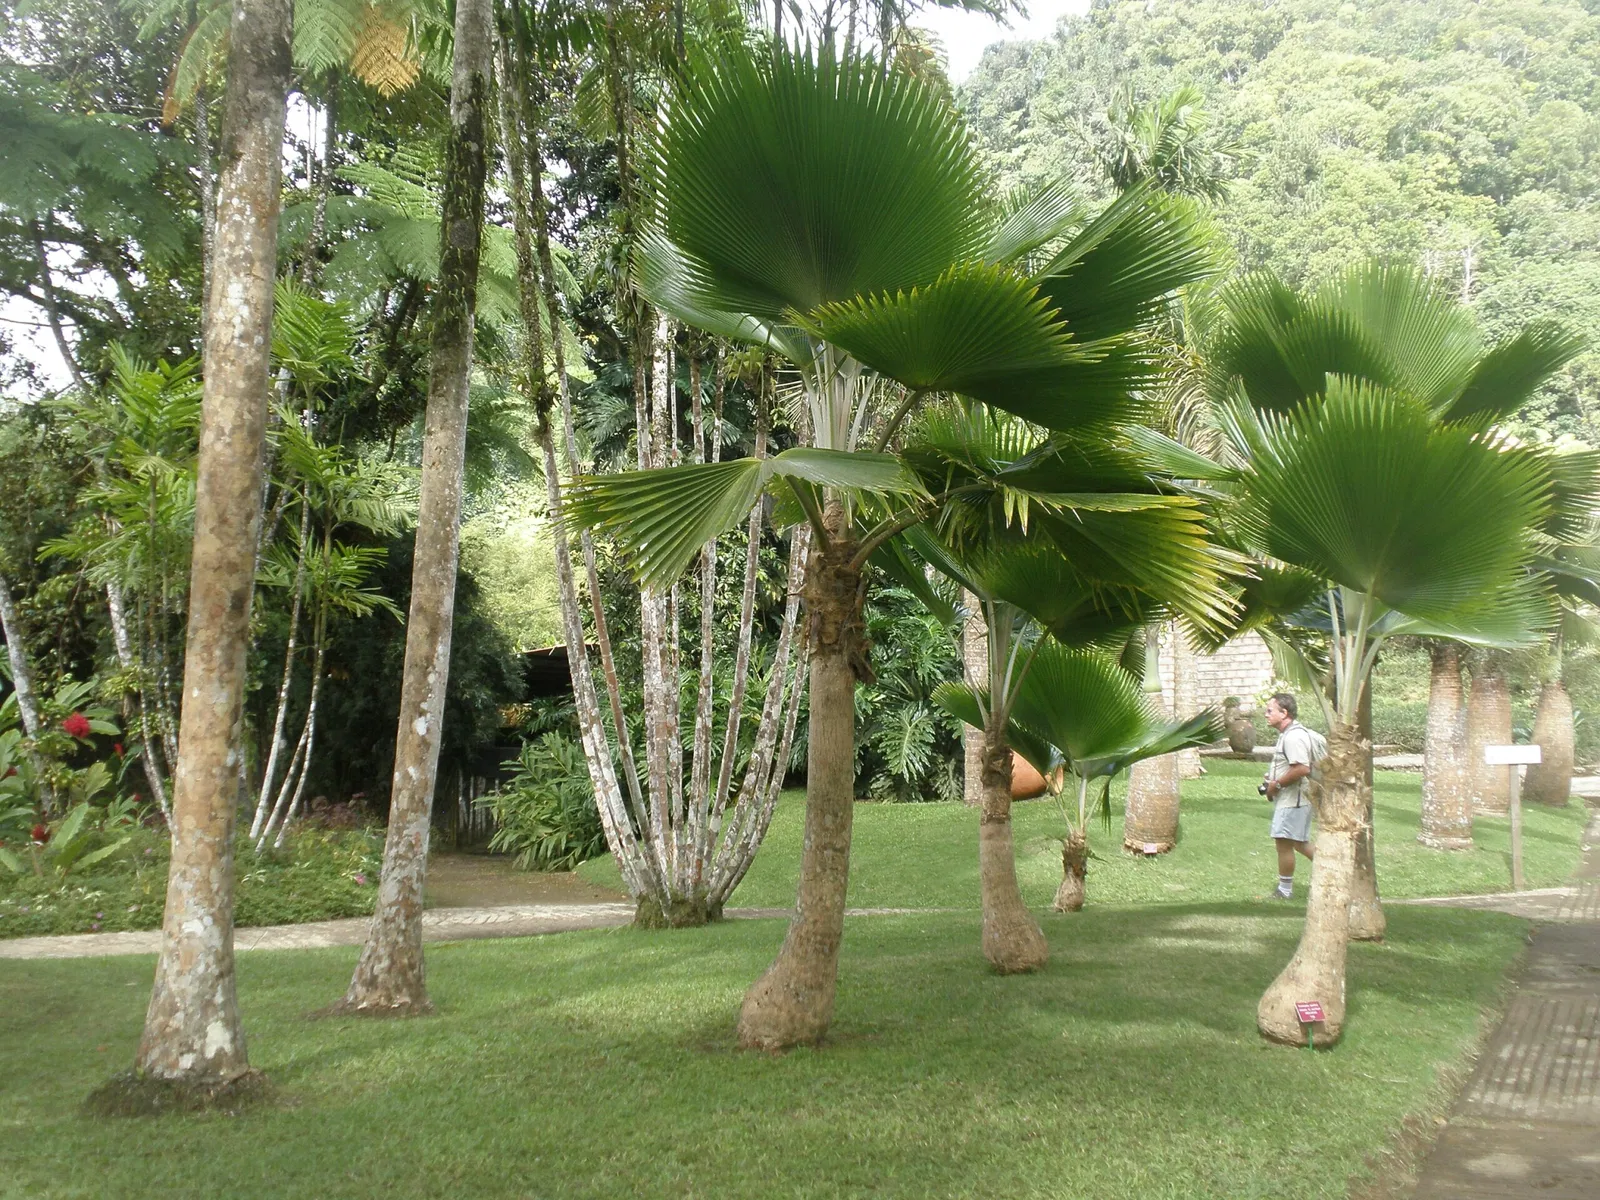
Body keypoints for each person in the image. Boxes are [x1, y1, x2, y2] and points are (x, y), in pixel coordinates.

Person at [1262, 692, 1316, 899]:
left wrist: (1276, 784)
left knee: (1286, 841)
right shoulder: (1288, 734)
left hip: (1294, 800)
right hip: (1292, 799)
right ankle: (1334, 874)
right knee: (1295, 842)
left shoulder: (1293, 736)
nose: (1266, 715)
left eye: (1270, 711)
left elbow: (1302, 768)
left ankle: (1285, 891)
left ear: (1284, 713)